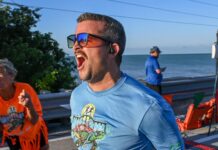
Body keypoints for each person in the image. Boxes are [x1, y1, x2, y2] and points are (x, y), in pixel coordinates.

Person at [68, 12, 184, 150]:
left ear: (112, 50)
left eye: (84, 39)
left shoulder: (149, 107)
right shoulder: (77, 95)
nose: (75, 46)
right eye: (73, 40)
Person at [0, 58, 49, 150]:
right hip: (14, 137)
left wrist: (29, 105)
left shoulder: (25, 89)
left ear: (11, 76)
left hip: (34, 133)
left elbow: (34, 120)